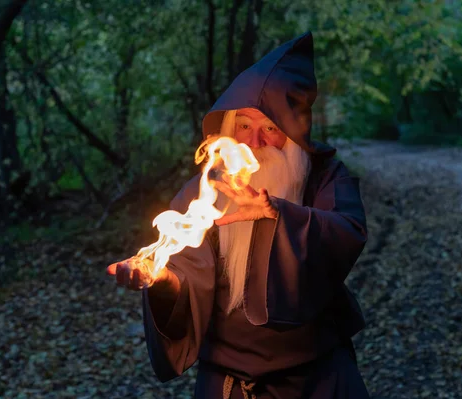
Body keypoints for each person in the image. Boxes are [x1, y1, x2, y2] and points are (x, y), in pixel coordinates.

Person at [108, 32, 370, 398]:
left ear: (294, 134)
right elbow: (184, 272)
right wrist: (162, 278)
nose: (254, 143)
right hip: (228, 386)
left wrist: (275, 214)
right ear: (228, 127)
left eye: (270, 128)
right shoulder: (204, 192)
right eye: (244, 125)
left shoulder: (327, 179)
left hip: (318, 382)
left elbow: (346, 234)